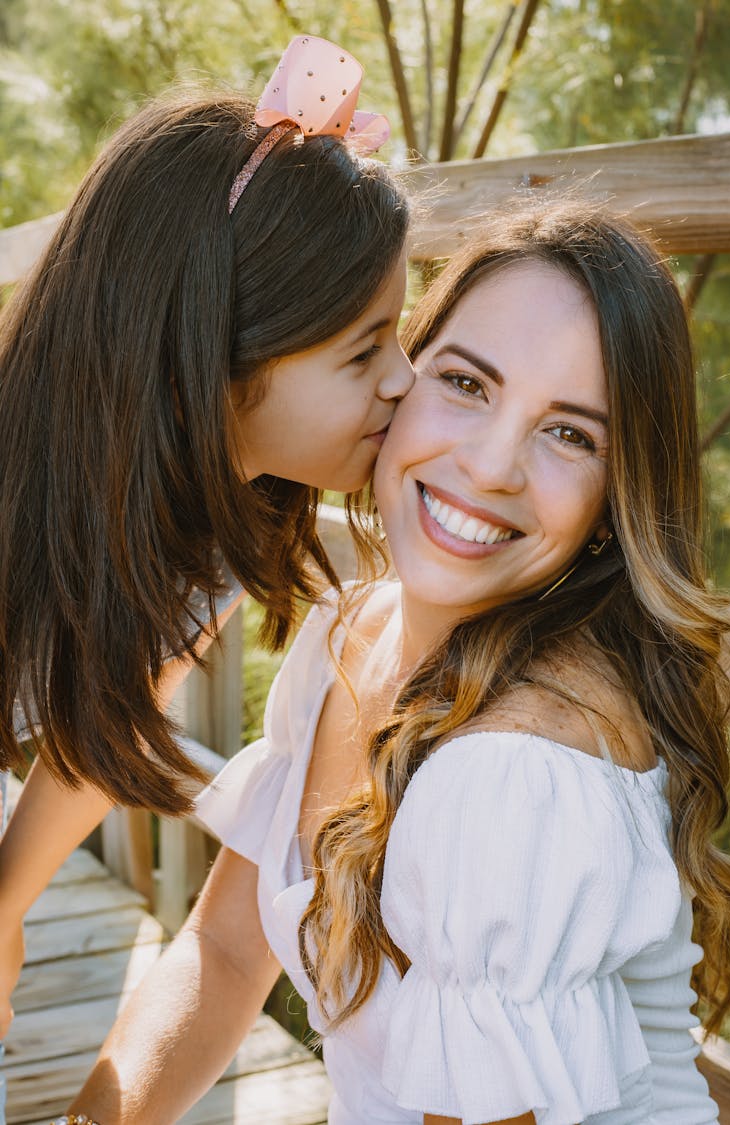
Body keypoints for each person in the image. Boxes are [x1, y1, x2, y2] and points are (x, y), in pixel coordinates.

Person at [62, 202, 730, 1125]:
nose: (491, 463)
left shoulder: (516, 770)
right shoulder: (349, 633)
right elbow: (225, 950)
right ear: (393, 378)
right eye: (467, 383)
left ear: (613, 506)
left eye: (570, 433)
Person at [0, 33, 413, 1046]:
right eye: (367, 349)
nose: (404, 377)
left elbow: (106, 725)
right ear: (214, 354)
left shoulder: (219, 526)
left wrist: (7, 903)